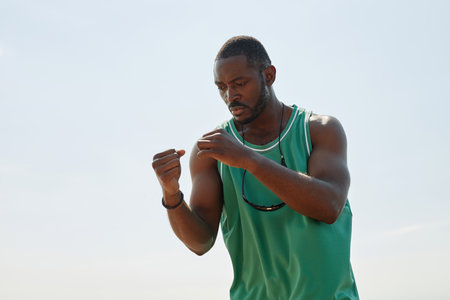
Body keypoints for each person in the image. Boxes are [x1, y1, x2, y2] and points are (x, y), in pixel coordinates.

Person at [152, 36, 359, 299]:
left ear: (269, 76)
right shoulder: (210, 153)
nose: (230, 96)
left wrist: (249, 159)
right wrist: (172, 195)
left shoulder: (319, 130)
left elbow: (329, 206)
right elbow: (200, 242)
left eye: (239, 83)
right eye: (221, 87)